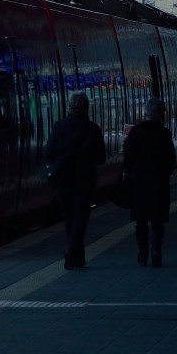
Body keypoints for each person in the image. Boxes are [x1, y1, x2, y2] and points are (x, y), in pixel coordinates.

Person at [45, 92, 106, 270]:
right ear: (87, 108)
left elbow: (49, 153)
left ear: (69, 107)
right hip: (85, 180)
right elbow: (101, 158)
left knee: (70, 218)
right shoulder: (93, 129)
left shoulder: (59, 126)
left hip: (63, 180)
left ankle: (77, 258)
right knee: (81, 217)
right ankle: (73, 252)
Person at [122, 98, 176, 267]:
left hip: (139, 183)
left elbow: (128, 157)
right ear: (161, 114)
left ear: (145, 113)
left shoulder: (136, 132)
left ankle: (142, 252)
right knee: (157, 220)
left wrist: (129, 174)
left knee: (141, 220)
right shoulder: (164, 133)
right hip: (159, 182)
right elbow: (170, 158)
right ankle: (156, 251)